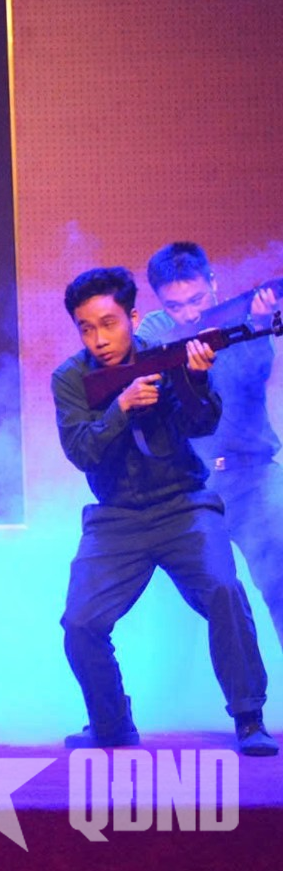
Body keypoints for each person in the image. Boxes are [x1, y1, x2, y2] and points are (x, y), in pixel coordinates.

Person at [52, 265, 275, 755]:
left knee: (225, 590)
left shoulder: (166, 356)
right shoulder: (70, 378)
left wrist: (195, 377)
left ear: (133, 318)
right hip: (116, 518)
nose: (99, 339)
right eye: (86, 328)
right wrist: (121, 407)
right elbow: (81, 451)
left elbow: (201, 425)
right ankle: (111, 723)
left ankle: (249, 717)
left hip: (183, 504)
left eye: (109, 324)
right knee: (80, 623)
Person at [139, 242, 283, 653]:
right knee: (218, 600)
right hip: (197, 487)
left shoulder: (241, 319)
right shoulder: (154, 333)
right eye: (175, 305)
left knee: (280, 584)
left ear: (213, 283)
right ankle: (243, 691)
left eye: (197, 300)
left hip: (254, 477)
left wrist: (258, 324)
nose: (189, 314)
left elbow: (255, 377)